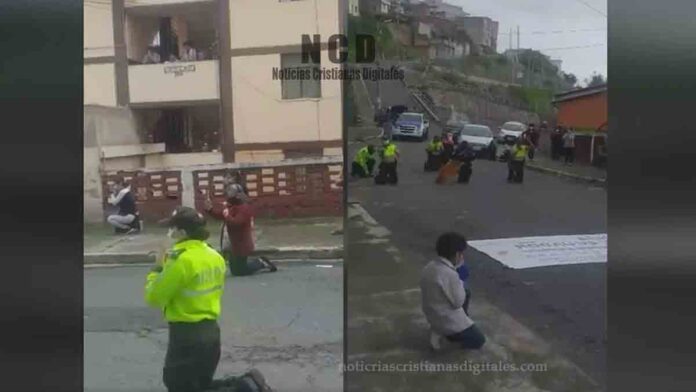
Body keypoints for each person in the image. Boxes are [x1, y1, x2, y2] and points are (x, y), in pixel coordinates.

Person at [145, 206, 226, 392]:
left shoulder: (181, 260)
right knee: (200, 383)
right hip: (211, 331)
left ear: (182, 232)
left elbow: (154, 297)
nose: (170, 233)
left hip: (186, 334)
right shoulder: (215, 255)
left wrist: (157, 268)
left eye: (172, 228)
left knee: (177, 383)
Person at [420, 232, 485, 350]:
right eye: (461, 254)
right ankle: (450, 337)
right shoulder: (450, 274)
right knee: (478, 340)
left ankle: (445, 330)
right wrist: (459, 279)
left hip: (431, 312)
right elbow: (458, 302)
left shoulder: (430, 266)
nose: (462, 257)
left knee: (467, 292)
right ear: (456, 254)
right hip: (445, 319)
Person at [204, 186, 277, 276]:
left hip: (241, 243)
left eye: (231, 194)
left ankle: (261, 262)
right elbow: (220, 216)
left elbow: (236, 223)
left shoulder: (244, 208)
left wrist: (227, 214)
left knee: (241, 271)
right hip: (232, 242)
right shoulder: (231, 207)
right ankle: (259, 262)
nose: (228, 196)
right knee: (235, 270)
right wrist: (210, 210)